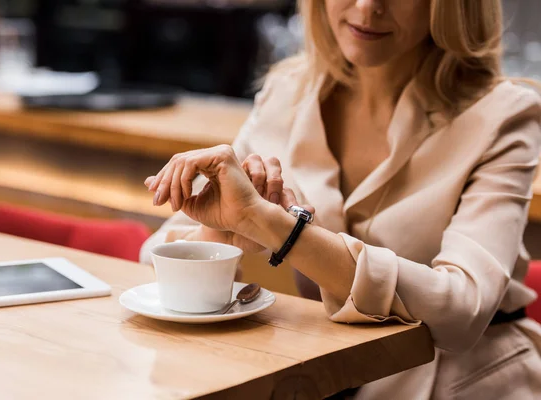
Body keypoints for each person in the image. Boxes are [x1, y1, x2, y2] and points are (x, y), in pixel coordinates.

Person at [140, 0, 541, 398]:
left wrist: (279, 228)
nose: (368, 8)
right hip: (322, 376)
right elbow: (155, 259)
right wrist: (224, 229)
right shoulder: (287, 91)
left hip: (465, 383)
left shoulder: (504, 115)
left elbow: (462, 312)